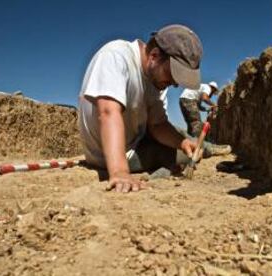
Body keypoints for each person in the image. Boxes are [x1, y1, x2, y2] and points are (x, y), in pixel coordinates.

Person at [78, 24, 204, 193]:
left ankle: (204, 147)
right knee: (179, 156)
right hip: (112, 155)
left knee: (189, 144)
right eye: (171, 74)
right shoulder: (115, 56)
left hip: (136, 142)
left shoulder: (154, 81)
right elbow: (108, 112)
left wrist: (183, 142)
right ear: (154, 55)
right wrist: (120, 172)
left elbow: (158, 125)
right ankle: (211, 149)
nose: (174, 84)